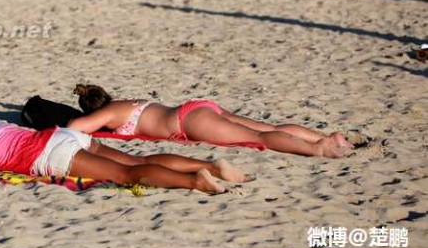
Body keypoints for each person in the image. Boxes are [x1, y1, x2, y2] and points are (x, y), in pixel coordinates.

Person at [0, 113, 252, 194]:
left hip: (49, 153)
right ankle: (210, 164)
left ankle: (194, 181)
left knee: (128, 176)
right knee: (138, 161)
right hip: (62, 135)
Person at [67, 85, 354, 159]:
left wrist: (84, 121)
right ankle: (325, 137)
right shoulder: (126, 101)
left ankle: (321, 149)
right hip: (197, 107)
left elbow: (76, 128)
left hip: (187, 121)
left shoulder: (109, 113)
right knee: (268, 128)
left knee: (258, 139)